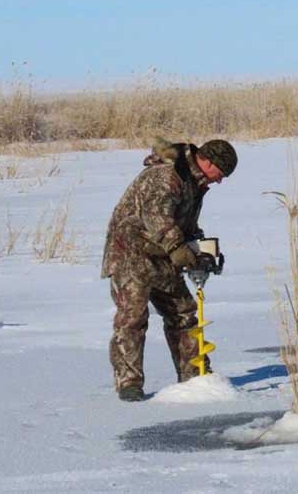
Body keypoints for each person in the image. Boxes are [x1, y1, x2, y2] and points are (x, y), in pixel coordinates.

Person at [101, 138, 237, 401]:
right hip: (130, 253)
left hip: (161, 255)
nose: (220, 181)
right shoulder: (167, 175)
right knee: (133, 318)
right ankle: (129, 383)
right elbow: (157, 217)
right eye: (221, 174)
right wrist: (179, 249)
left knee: (183, 314)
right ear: (208, 162)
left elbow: (183, 224)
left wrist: (201, 249)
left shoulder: (194, 183)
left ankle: (195, 376)